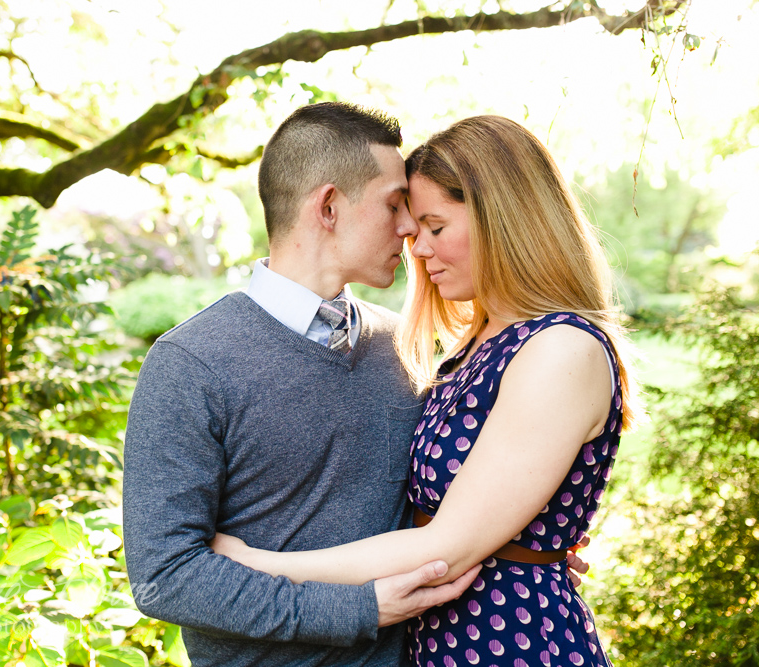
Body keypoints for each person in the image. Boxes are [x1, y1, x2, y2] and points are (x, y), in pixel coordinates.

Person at [209, 115, 642, 667]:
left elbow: (445, 547)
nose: (418, 248)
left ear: (504, 218)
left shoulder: (561, 348)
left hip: (512, 641)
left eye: (436, 227)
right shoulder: (476, 344)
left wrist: (259, 562)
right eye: (416, 229)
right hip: (441, 639)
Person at [122, 102, 481, 667]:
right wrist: (355, 610)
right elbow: (165, 576)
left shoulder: (403, 347)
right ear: (330, 206)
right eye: (394, 205)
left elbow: (445, 501)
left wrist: (527, 548)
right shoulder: (189, 364)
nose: (411, 228)